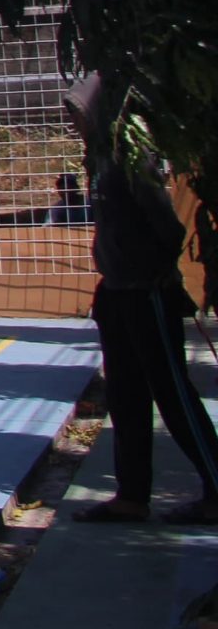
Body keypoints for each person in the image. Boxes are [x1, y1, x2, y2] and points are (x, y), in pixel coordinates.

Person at [65, 74, 218, 524]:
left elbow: (167, 225)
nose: (73, 122)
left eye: (77, 112)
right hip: (115, 292)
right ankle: (131, 495)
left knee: (172, 392)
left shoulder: (131, 155)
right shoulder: (97, 159)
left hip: (146, 291)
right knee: (126, 394)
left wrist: (156, 273)